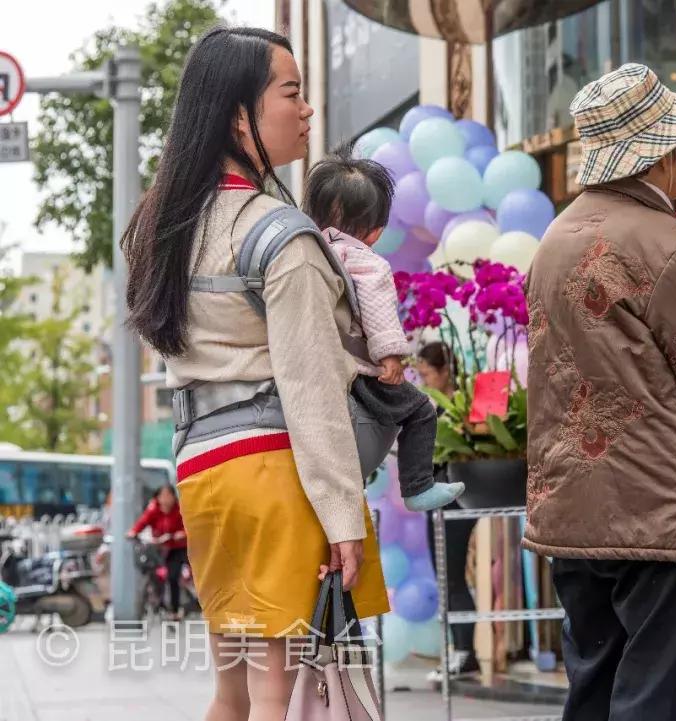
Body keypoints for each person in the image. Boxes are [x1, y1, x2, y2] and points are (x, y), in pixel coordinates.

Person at [121, 27, 389, 721]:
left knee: (232, 695)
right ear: (240, 114)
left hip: (205, 476)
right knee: (278, 699)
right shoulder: (281, 235)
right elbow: (310, 388)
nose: (306, 110)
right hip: (277, 476)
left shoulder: (166, 223)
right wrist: (341, 517)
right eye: (291, 92)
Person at [524, 63, 676, 721]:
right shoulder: (667, 242)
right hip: (661, 515)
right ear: (669, 153)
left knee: (595, 689)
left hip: (575, 510)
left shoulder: (552, 241)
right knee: (660, 697)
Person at [301, 152, 464, 512]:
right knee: (420, 410)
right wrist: (390, 354)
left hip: (318, 368)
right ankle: (419, 487)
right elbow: (377, 309)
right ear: (375, 231)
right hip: (360, 373)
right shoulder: (365, 261)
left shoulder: (308, 253)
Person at [418, 341, 481, 680]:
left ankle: (464, 653)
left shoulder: (459, 407)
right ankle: (459, 651)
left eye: (427, 373)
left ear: (444, 371)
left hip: (453, 497)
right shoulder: (439, 406)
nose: (424, 381)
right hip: (437, 496)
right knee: (446, 577)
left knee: (451, 574)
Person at [127, 485, 189, 620]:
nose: (165, 499)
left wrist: (180, 534)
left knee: (173, 576)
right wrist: (133, 532)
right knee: (152, 570)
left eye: (168, 495)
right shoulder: (153, 510)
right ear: (157, 497)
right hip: (158, 548)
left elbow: (189, 527)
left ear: (174, 497)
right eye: (162, 496)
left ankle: (174, 609)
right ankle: (157, 601)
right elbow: (142, 522)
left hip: (176, 547)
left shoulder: (180, 510)